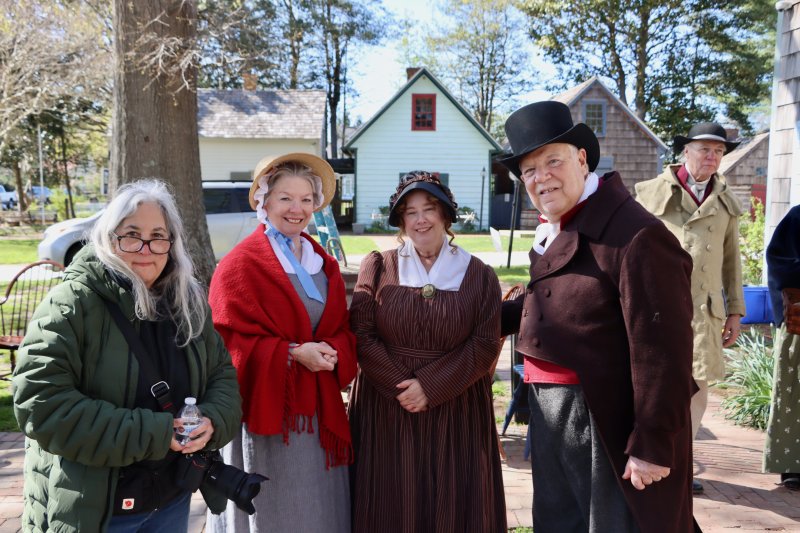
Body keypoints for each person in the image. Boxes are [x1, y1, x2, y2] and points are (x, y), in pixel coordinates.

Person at [498, 101, 697, 533]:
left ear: (583, 159)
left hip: (603, 418)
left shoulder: (636, 235)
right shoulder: (560, 227)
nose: (541, 177)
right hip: (552, 415)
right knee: (560, 523)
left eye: (553, 161)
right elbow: (556, 301)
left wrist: (654, 442)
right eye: (529, 171)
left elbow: (665, 352)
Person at [12, 179, 242, 532]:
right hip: (96, 508)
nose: (145, 248)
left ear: (172, 243)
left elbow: (222, 377)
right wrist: (156, 433)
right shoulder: (71, 304)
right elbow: (41, 406)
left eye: (158, 235)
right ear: (108, 237)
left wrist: (210, 421)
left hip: (171, 499)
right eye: (131, 234)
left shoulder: (189, 303)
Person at [348, 171, 506, 532]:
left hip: (456, 407)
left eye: (429, 209)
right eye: (411, 212)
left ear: (446, 216)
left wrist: (431, 387)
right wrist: (405, 387)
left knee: (452, 503)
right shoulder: (380, 265)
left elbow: (483, 345)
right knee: (390, 500)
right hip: (386, 406)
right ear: (402, 222)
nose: (421, 219)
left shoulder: (479, 275)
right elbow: (362, 332)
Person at [206, 153, 356, 532]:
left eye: (307, 199)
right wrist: (290, 354)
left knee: (319, 509)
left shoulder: (323, 263)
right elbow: (224, 343)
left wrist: (334, 350)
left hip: (317, 415)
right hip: (268, 414)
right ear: (264, 201)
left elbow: (341, 327)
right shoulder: (239, 265)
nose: (297, 209)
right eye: (286, 198)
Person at [635, 122, 746, 494]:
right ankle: (651, 459)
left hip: (705, 314)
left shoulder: (726, 201)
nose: (712, 157)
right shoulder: (651, 195)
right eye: (704, 149)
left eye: (718, 151)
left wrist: (735, 311)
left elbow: (732, 261)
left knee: (696, 390)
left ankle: (681, 467)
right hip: (657, 309)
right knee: (655, 384)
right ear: (685, 152)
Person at [763, 204, 800, 491]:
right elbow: (778, 262)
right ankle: (793, 467)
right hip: (799, 327)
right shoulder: (798, 217)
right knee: (793, 393)